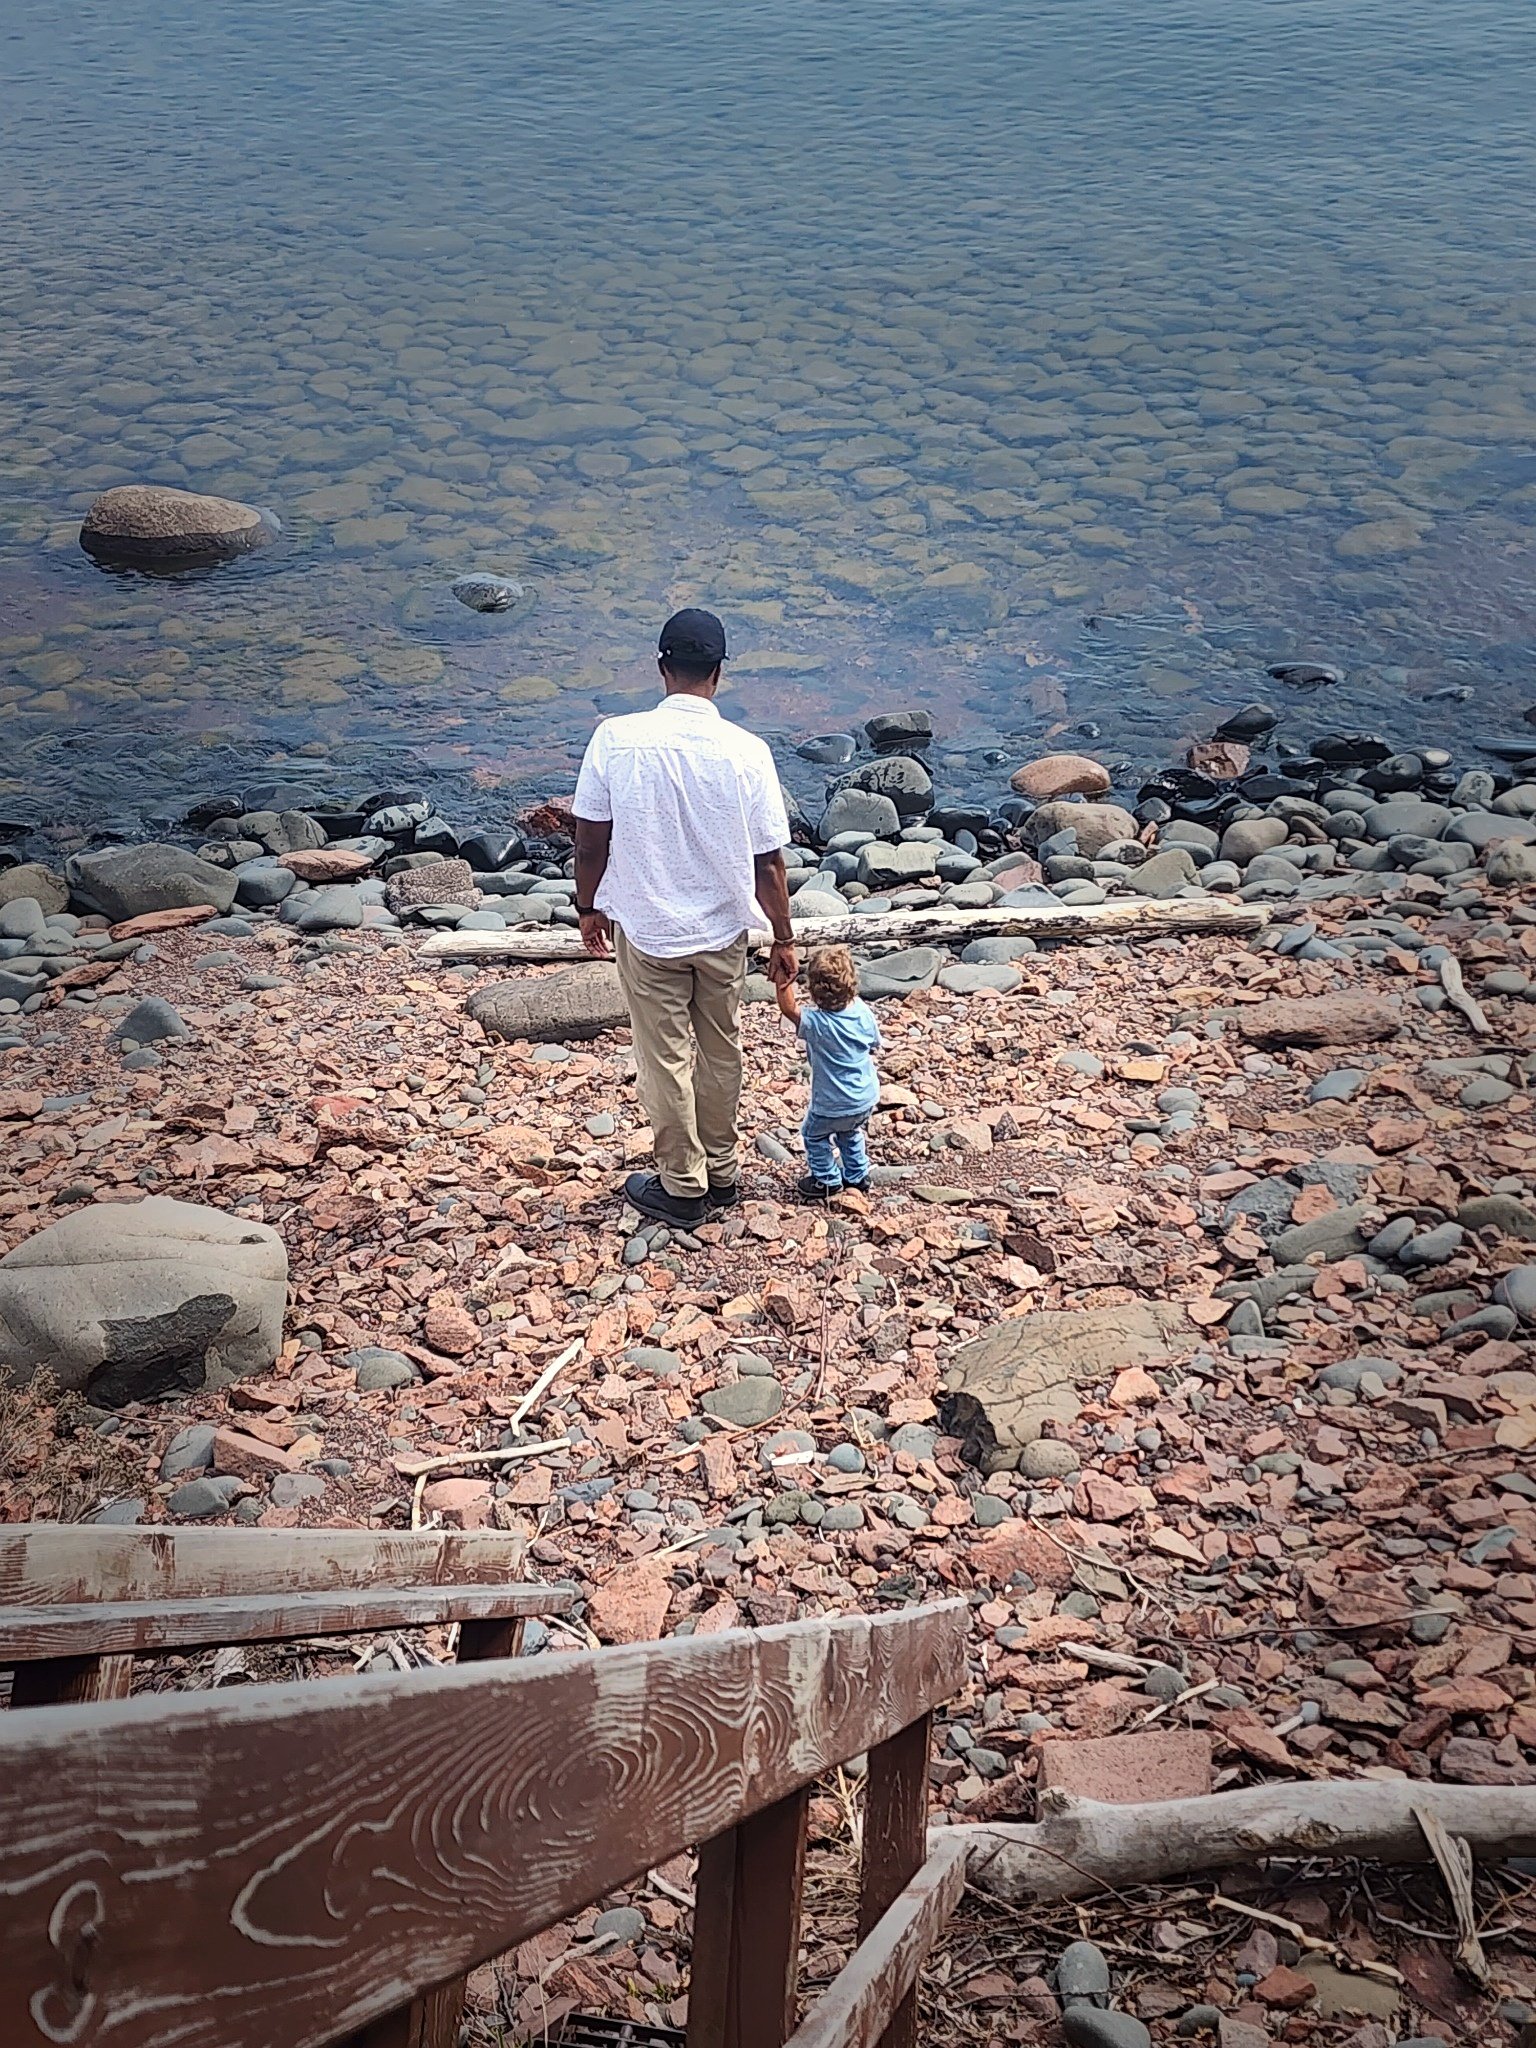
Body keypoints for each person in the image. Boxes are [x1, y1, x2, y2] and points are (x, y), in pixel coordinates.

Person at [571, 608, 797, 1226]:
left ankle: (682, 1184)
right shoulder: (748, 752)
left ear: (662, 666)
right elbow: (768, 862)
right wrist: (783, 936)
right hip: (724, 929)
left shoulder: (615, 738)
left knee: (664, 1054)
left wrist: (588, 905)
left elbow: (591, 840)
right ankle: (722, 1172)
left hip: (648, 929)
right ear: (719, 674)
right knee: (722, 1049)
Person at [775, 945, 881, 1199]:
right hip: (865, 1097)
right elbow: (875, 1044)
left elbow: (789, 1008)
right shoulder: (862, 1011)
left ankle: (827, 1180)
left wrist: (782, 977)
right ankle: (857, 1176)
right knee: (850, 1131)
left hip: (831, 1103)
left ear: (813, 990)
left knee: (813, 1135)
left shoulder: (816, 1023)